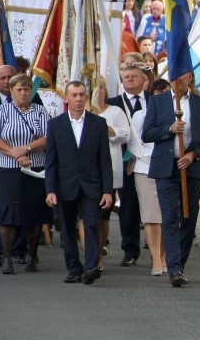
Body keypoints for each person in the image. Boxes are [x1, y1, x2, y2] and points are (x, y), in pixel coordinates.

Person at [142, 72, 200, 286]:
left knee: (189, 218)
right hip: (166, 167)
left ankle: (179, 264)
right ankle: (173, 268)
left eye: (183, 76)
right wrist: (169, 129)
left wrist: (193, 155)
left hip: (191, 168)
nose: (179, 80)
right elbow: (147, 133)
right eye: (176, 76)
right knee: (170, 216)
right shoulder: (158, 101)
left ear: (190, 78)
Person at [45, 82, 114, 285]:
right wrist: (50, 189)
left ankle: (91, 267)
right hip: (65, 185)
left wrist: (108, 191)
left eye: (81, 95)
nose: (78, 99)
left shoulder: (98, 124)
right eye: (73, 95)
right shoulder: (56, 125)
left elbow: (105, 160)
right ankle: (74, 268)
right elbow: (51, 160)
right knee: (67, 229)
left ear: (86, 97)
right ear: (65, 98)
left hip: (92, 185)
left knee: (92, 224)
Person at [0, 74, 50, 274]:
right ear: (12, 91)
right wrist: (16, 154)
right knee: (8, 213)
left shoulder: (40, 111)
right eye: (19, 89)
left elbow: (48, 138)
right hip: (9, 169)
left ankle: (32, 256)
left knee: (34, 212)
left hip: (35, 168)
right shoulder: (2, 110)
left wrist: (27, 149)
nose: (23, 93)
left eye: (26, 89)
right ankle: (7, 257)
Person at [106, 63, 148, 268]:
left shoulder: (154, 101)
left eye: (134, 76)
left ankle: (157, 249)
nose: (129, 79)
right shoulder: (112, 103)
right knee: (128, 207)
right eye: (126, 76)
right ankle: (130, 251)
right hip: (123, 162)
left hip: (149, 162)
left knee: (151, 208)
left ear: (143, 79)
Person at [126, 74, 167, 276]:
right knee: (151, 216)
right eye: (158, 93)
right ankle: (156, 259)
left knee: (168, 216)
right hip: (145, 168)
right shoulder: (141, 115)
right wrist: (151, 156)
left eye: (166, 94)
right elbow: (134, 143)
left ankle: (165, 257)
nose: (162, 97)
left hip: (169, 168)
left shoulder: (177, 115)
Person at [89, 86, 130, 272]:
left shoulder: (115, 111)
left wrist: (109, 130)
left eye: (102, 87)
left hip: (109, 169)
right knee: (88, 215)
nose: (99, 91)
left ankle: (99, 247)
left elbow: (126, 134)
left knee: (103, 214)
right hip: (86, 172)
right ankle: (91, 254)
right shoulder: (82, 112)